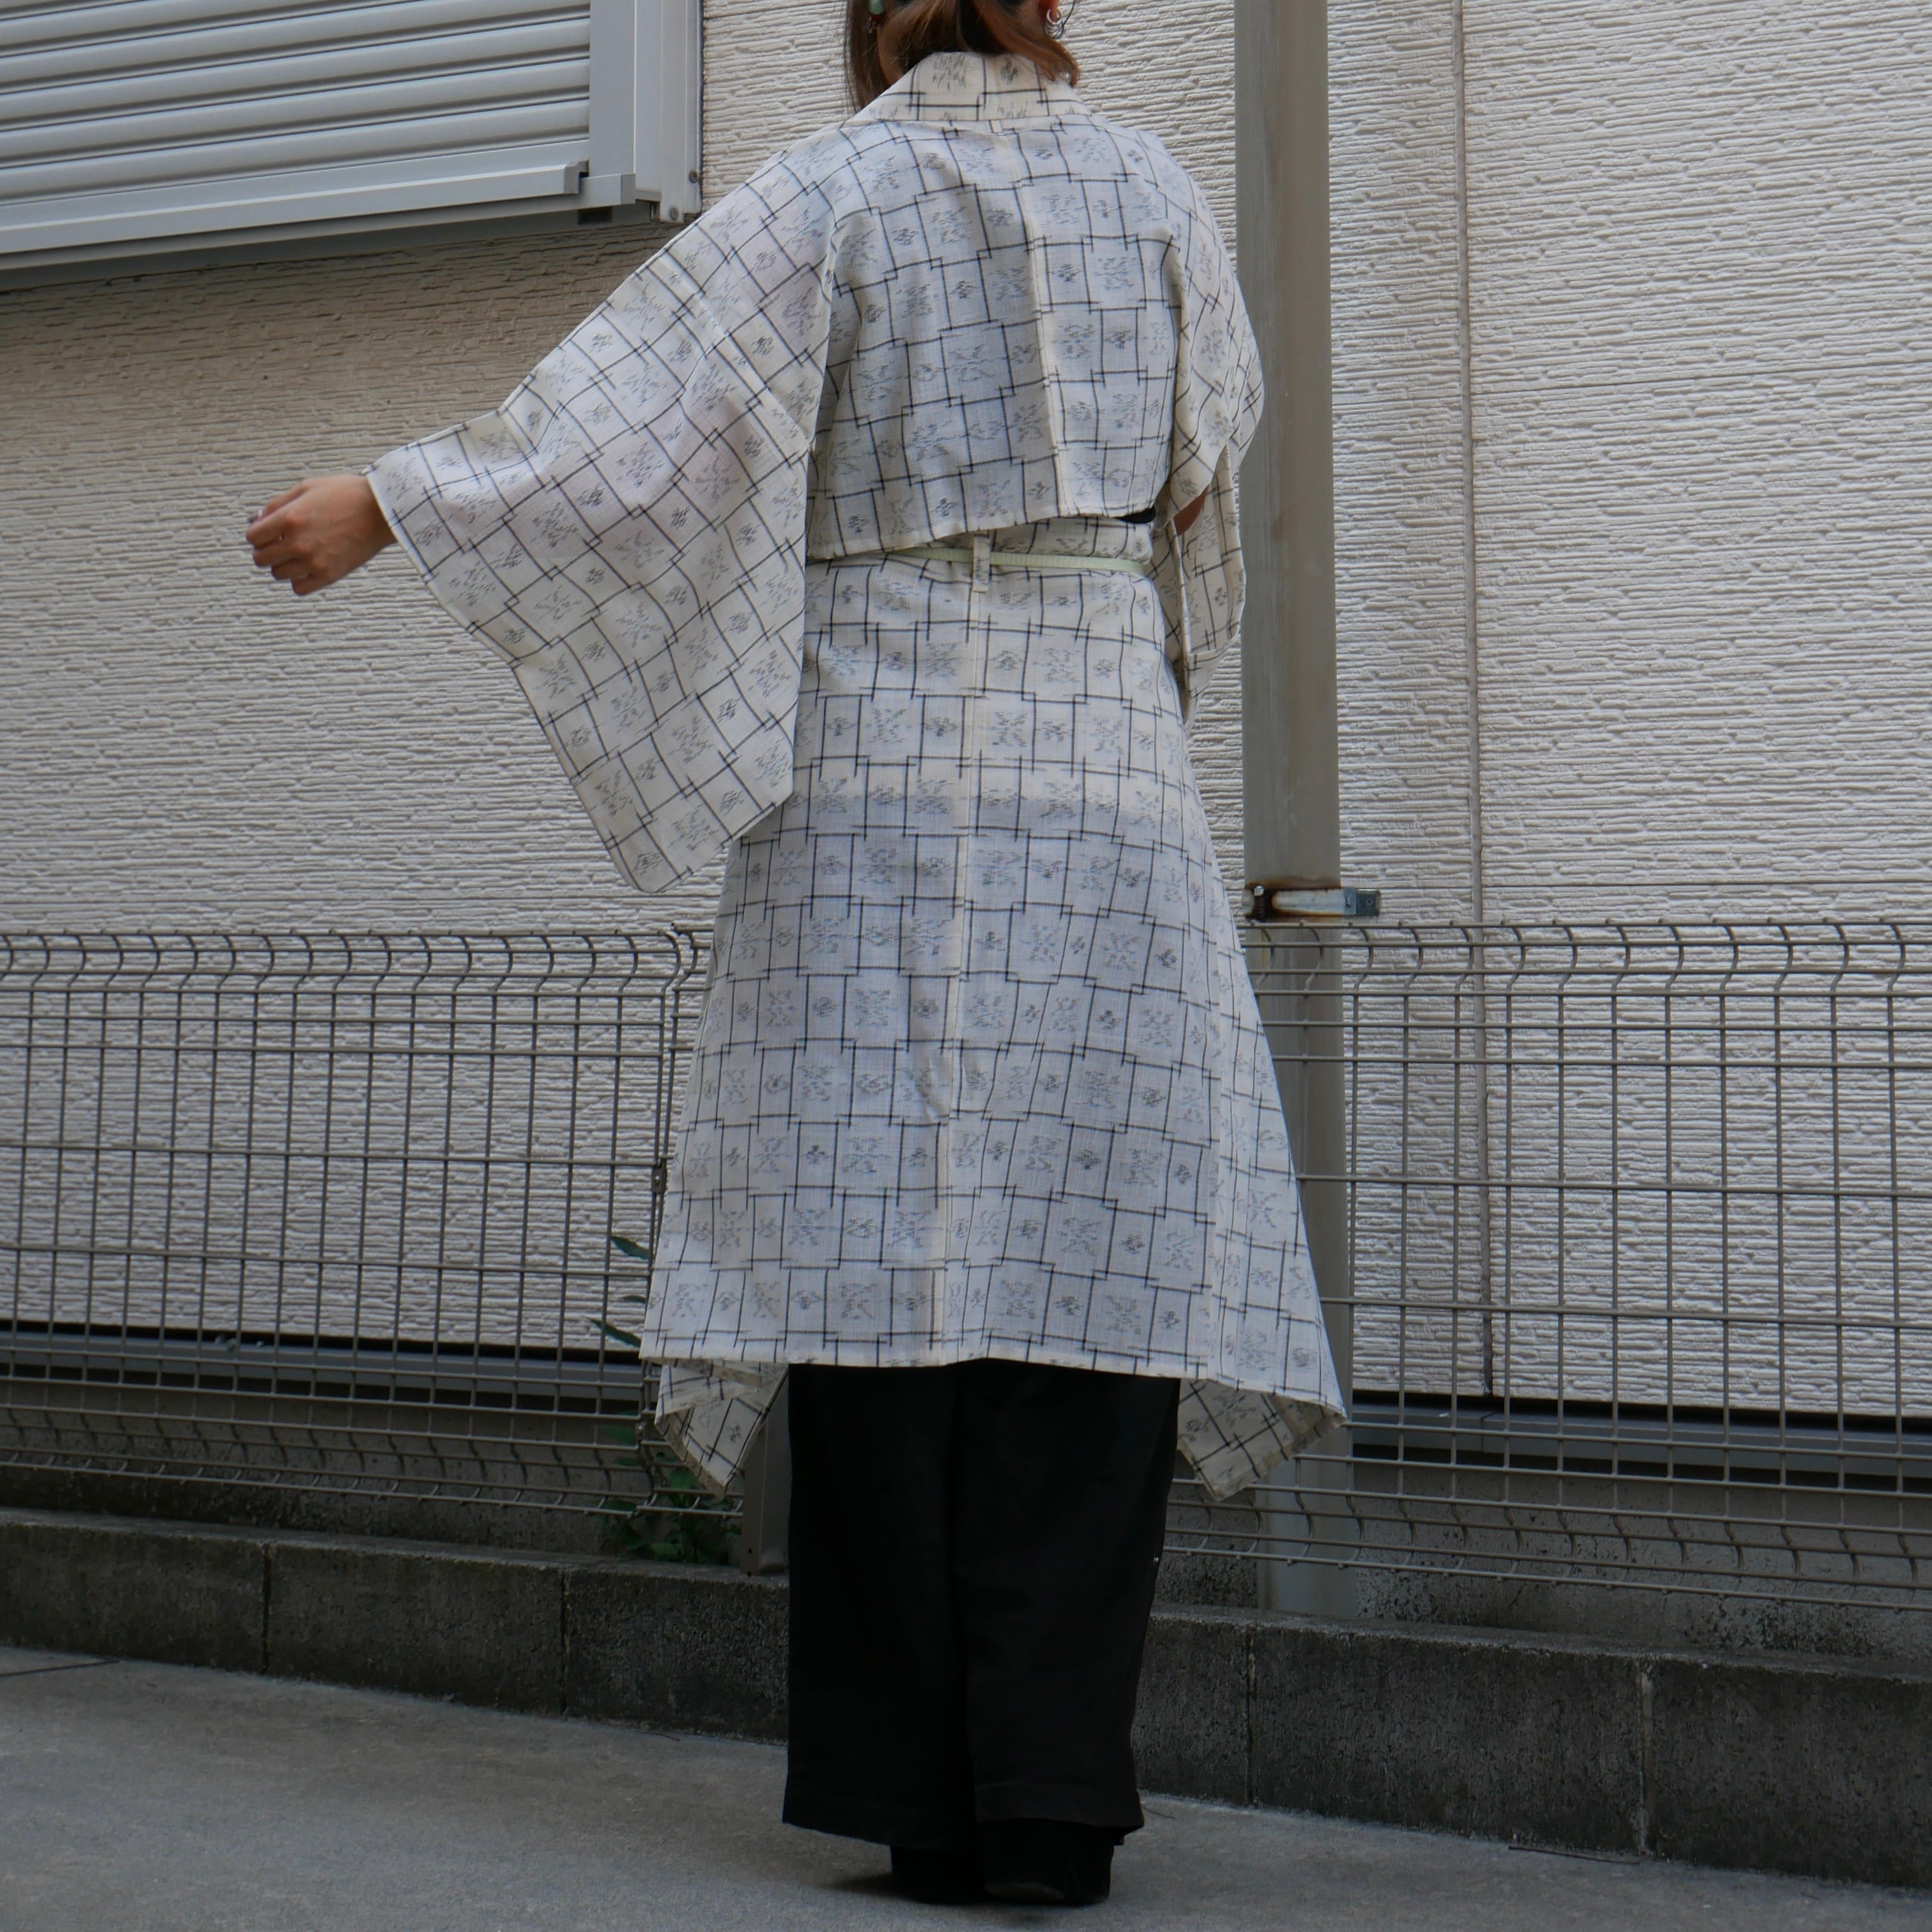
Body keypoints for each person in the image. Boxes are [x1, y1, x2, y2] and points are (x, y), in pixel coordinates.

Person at [248, 0, 1342, 1907]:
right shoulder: (1157, 193)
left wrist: (396, 502)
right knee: (1092, 1273)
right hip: (1101, 775)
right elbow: (1206, 467)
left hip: (879, 787)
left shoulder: (832, 192)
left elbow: (633, 438)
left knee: (877, 1269)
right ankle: (1052, 1805)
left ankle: (922, 1802)